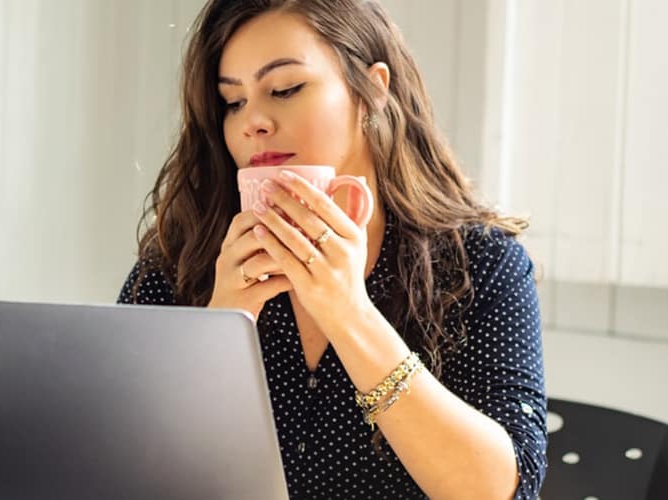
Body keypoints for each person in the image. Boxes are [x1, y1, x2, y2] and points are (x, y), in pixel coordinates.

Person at [117, 1, 547, 498]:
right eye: (232, 102)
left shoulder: (482, 264)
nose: (252, 121)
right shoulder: (183, 256)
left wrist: (348, 313)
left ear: (372, 91)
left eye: (285, 89)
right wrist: (216, 331)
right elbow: (115, 466)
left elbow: (500, 489)